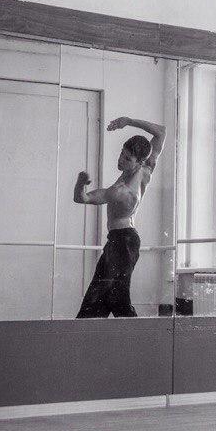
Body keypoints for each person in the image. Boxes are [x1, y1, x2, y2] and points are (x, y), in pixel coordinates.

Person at [73, 116, 166, 318]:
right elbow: (161, 132)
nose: (121, 160)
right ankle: (89, 329)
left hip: (123, 241)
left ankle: (133, 335)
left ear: (139, 161)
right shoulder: (146, 168)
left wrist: (81, 185)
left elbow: (82, 199)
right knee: (105, 295)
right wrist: (128, 121)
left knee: (111, 297)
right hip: (122, 241)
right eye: (122, 154)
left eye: (127, 159)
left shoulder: (121, 192)